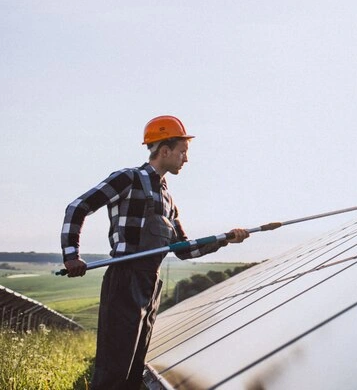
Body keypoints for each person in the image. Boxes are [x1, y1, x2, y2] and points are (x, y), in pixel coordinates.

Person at [61, 115, 250, 390]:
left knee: (133, 371)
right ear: (164, 150)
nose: (186, 159)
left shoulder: (168, 199)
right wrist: (70, 254)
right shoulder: (128, 178)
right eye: (182, 152)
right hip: (125, 278)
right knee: (114, 369)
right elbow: (77, 207)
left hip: (151, 282)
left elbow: (183, 249)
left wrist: (225, 239)